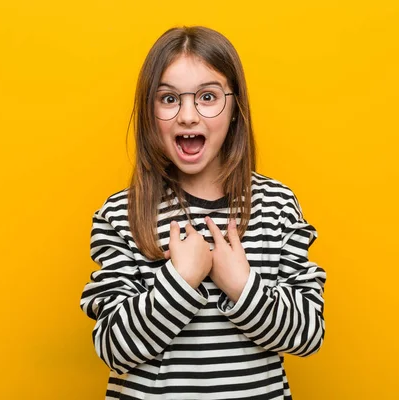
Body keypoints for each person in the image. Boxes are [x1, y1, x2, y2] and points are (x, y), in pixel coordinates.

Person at [80, 25, 326, 400]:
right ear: (149, 111)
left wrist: (242, 286)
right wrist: (181, 279)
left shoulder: (276, 206)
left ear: (235, 106)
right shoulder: (121, 215)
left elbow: (308, 335)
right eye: (168, 99)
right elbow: (114, 349)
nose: (188, 116)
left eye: (208, 97)